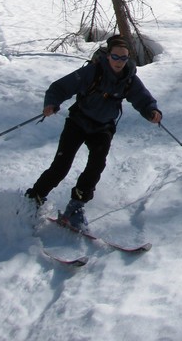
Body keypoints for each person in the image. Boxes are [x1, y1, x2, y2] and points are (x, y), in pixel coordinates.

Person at [26, 35, 162, 231]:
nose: (119, 62)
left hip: (103, 127)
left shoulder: (129, 78)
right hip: (78, 122)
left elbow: (142, 98)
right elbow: (60, 87)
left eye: (124, 58)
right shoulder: (92, 71)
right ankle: (34, 199)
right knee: (61, 166)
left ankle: (75, 208)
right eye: (115, 57)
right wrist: (51, 104)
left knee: (95, 167)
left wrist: (152, 111)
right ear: (108, 55)